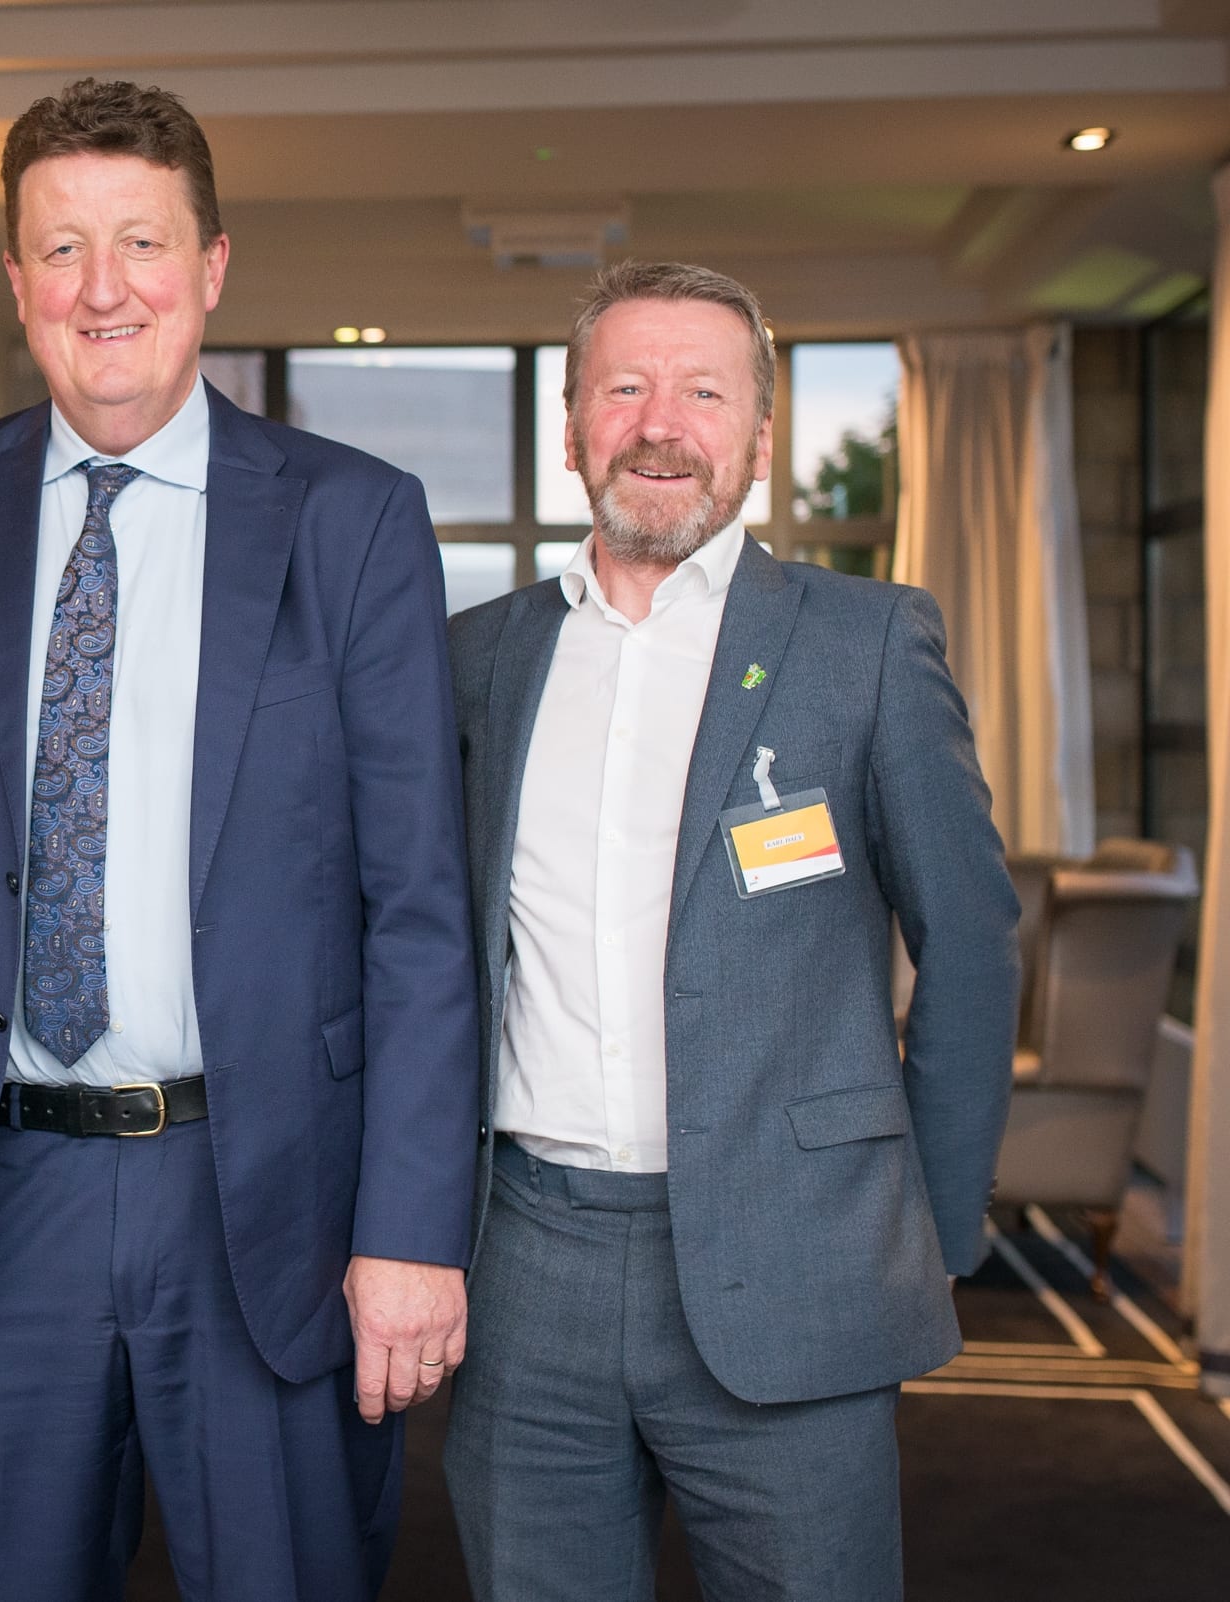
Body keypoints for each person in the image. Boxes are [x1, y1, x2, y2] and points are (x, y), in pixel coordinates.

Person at [0, 77, 479, 1602]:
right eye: (63, 250)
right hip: (3, 1190)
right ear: (17, 282)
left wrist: (413, 1226)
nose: (104, 290)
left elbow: (418, 910)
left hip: (273, 1207)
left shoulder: (353, 521)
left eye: (142, 243)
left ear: (213, 266)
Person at [442, 259, 1018, 1600]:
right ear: (571, 424)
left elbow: (975, 946)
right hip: (529, 1269)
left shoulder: (865, 644)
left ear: (761, 438)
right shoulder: (472, 661)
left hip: (802, 1259)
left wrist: (923, 1229)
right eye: (625, 385)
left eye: (705, 390)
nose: (661, 421)